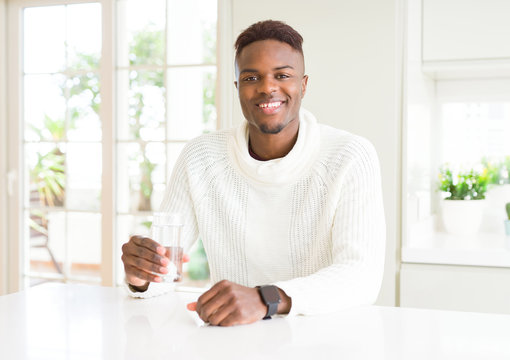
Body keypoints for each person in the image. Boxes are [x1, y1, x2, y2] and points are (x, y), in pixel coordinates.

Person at [121, 20, 386, 326]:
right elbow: (163, 270)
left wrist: (266, 298)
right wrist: (141, 275)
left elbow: (361, 275)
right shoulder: (201, 158)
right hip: (233, 339)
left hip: (325, 339)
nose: (267, 88)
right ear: (238, 88)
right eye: (251, 77)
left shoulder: (350, 155)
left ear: (303, 84)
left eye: (282, 75)